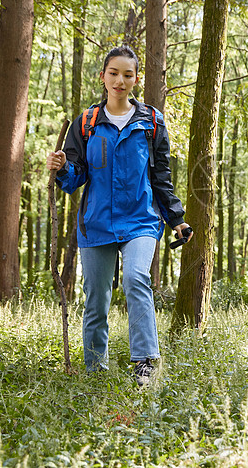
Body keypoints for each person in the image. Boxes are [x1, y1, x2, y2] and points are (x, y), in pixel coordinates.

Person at [46, 45, 190, 385]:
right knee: (96, 299)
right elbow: (75, 178)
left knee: (136, 279)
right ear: (103, 77)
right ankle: (96, 374)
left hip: (140, 219)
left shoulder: (151, 122)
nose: (120, 81)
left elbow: (161, 177)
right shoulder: (86, 124)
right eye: (114, 73)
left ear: (136, 79)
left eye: (127, 74)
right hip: (95, 223)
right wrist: (63, 167)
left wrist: (177, 218)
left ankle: (145, 365)